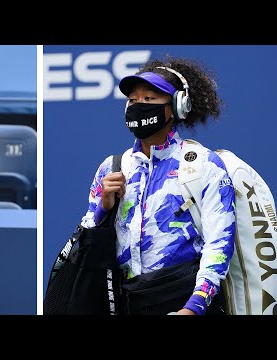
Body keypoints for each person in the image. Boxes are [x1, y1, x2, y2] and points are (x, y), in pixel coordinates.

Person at [80, 56, 236, 315]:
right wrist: (102, 209)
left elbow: (219, 245)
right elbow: (85, 243)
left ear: (177, 106)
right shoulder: (111, 167)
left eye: (149, 99)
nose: (139, 105)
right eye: (133, 100)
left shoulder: (206, 164)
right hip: (127, 302)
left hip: (186, 302)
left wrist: (193, 308)